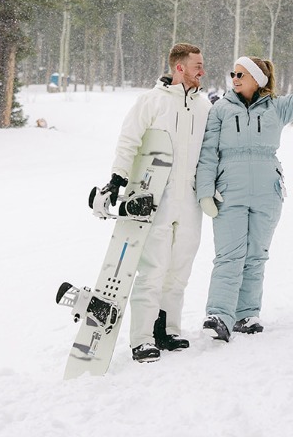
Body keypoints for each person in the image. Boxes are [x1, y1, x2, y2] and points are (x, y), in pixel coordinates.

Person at [195, 49, 293, 341]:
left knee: (256, 255)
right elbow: (208, 153)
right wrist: (205, 190)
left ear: (256, 80)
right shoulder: (219, 110)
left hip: (267, 192)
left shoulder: (277, 109)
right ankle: (219, 314)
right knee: (229, 255)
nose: (233, 78)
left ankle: (246, 314)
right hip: (229, 191)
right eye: (232, 74)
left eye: (239, 74)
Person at [94, 42, 212, 362]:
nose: (203, 70)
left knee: (180, 268)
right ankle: (142, 338)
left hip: (188, 197)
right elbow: (128, 140)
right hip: (156, 194)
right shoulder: (152, 101)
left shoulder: (204, 106)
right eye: (197, 65)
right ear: (179, 68)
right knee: (153, 268)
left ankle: (168, 330)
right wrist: (118, 179)